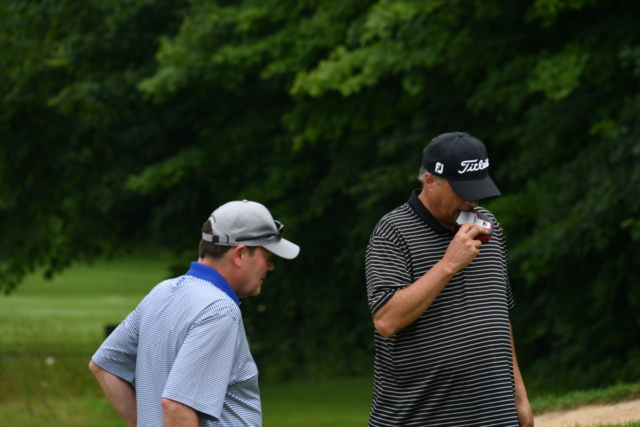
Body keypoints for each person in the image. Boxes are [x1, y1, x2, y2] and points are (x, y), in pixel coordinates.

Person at [365, 132, 534, 427]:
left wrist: (519, 399)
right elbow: (386, 320)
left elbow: (499, 319)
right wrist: (448, 264)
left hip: (496, 415)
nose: (473, 200)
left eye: (478, 188)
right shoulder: (392, 232)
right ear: (430, 181)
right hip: (422, 418)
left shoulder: (490, 228)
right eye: (464, 190)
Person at [89, 200, 300, 427]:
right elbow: (176, 406)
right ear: (239, 255)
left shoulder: (162, 293)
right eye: (267, 257)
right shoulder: (220, 311)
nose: (270, 267)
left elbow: (104, 365)